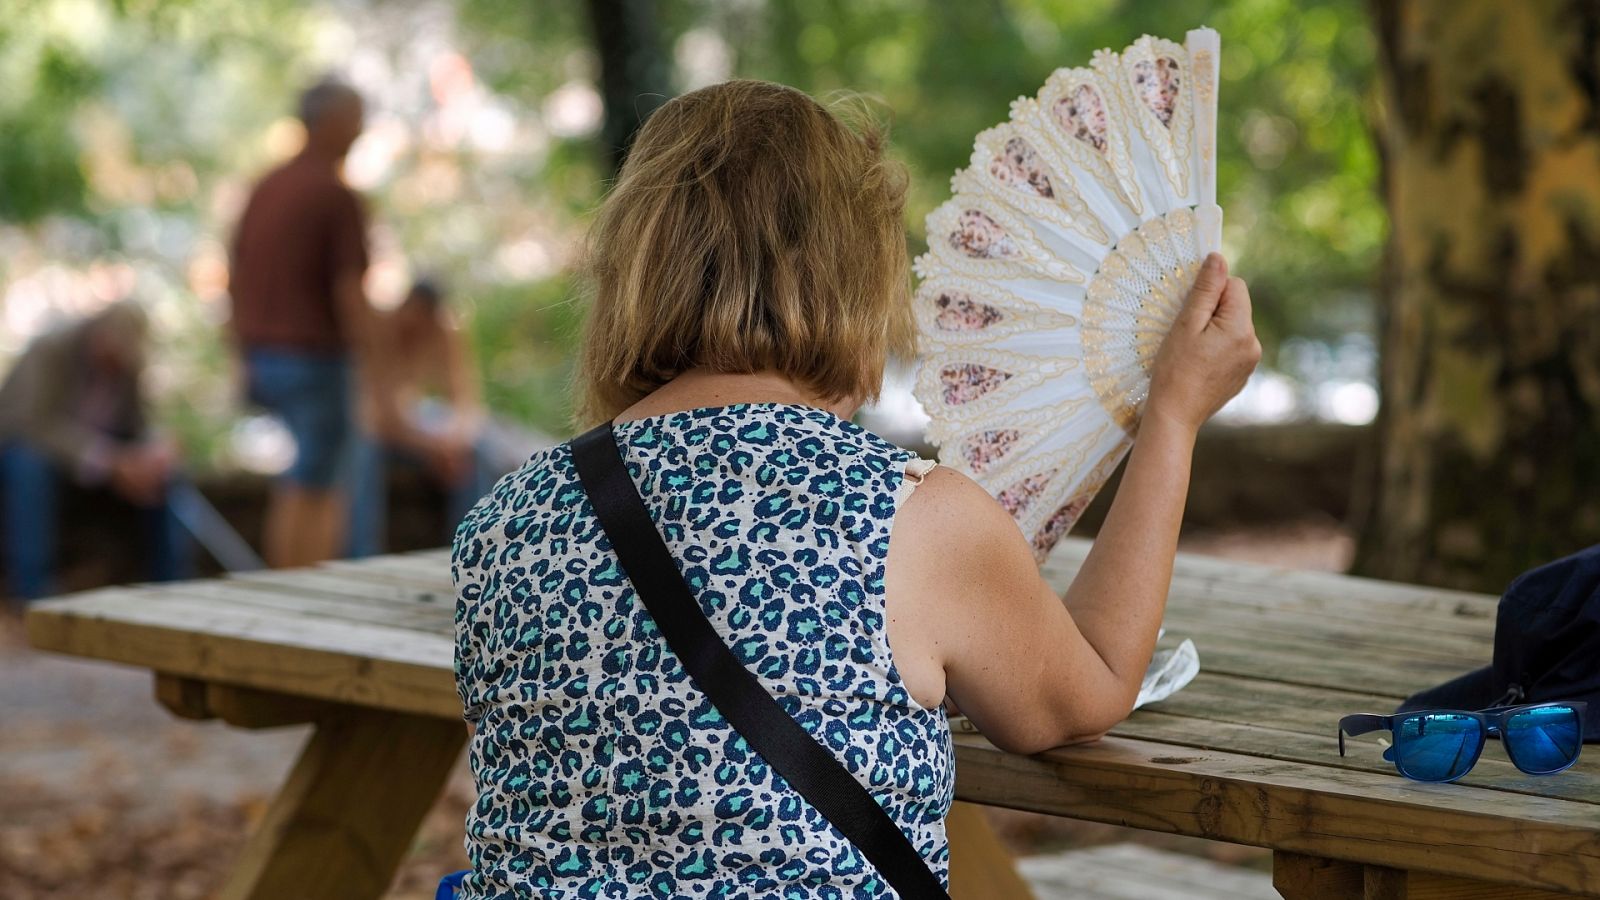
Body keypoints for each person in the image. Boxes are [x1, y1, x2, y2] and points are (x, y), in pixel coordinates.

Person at [449, 81, 1260, 897]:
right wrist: (1174, 416)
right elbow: (1086, 690)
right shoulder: (910, 517)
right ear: (854, 272)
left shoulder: (504, 522)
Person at [229, 78, 372, 568]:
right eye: (356, 117)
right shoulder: (335, 194)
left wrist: (240, 353)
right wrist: (376, 357)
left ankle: (296, 580)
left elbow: (234, 276)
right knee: (317, 481)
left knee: (309, 472)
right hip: (314, 358)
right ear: (328, 122)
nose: (362, 129)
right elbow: (349, 291)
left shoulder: (264, 187)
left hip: (264, 357)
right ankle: (304, 585)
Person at [0, 302, 188, 601]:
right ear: (98, 337)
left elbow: (139, 423)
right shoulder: (51, 349)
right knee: (30, 465)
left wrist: (154, 449)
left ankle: (170, 585)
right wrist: (109, 460)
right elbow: (33, 424)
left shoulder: (127, 366)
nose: (116, 366)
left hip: (96, 461)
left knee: (163, 475)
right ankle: (33, 593)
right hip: (29, 450)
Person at [348, 278, 489, 556]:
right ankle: (360, 554)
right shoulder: (379, 331)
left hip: (413, 424)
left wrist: (453, 441)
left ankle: (470, 550)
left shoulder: (444, 334)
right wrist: (432, 448)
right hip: (377, 429)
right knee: (362, 455)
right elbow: (379, 419)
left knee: (475, 452)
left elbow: (465, 403)